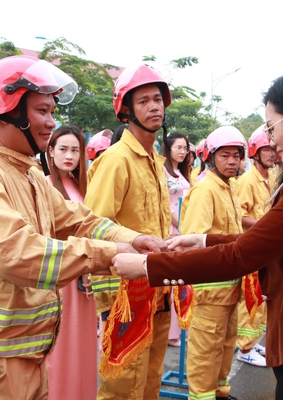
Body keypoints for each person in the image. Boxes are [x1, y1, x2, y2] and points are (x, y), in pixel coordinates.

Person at [113, 69, 283, 400]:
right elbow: (265, 238)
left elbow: (245, 254)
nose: (270, 140)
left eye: (271, 127)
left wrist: (151, 267)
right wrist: (204, 239)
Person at [0, 56, 161, 400]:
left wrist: (136, 240)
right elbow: (15, 253)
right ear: (8, 109)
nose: (51, 123)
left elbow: (79, 221)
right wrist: (114, 252)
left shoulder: (27, 175)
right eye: (42, 111)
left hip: (27, 354)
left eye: (52, 112)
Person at [85, 64, 172, 400]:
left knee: (151, 378)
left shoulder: (154, 159)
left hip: (157, 284)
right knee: (124, 384)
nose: (154, 107)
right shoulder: (116, 160)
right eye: (144, 101)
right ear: (126, 110)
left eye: (158, 99)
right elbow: (94, 223)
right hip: (124, 292)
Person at [179, 125, 249, 399]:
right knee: (205, 352)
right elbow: (194, 241)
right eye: (225, 156)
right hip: (209, 290)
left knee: (224, 345)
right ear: (210, 157)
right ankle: (202, 395)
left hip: (229, 287)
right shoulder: (205, 190)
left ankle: (220, 391)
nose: (232, 161)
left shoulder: (228, 187)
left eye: (236, 156)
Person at [44, 125, 98, 400]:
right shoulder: (43, 184)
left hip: (84, 276)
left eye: (75, 150)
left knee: (82, 345)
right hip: (61, 277)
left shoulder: (80, 186)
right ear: (50, 151)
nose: (69, 155)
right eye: (62, 149)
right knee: (60, 346)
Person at [234, 125, 276, 367]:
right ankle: (244, 347)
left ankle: (253, 342)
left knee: (260, 299)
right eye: (266, 150)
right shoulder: (248, 180)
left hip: (264, 248)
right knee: (249, 298)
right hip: (252, 246)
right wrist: (263, 225)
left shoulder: (267, 179)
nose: (271, 154)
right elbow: (240, 215)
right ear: (255, 153)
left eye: (272, 149)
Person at [163, 131, 191, 347]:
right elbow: (164, 203)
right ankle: (171, 333)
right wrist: (180, 224)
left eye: (185, 148)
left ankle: (180, 326)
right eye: (178, 147)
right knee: (172, 279)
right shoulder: (163, 172)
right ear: (168, 148)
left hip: (183, 226)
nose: (182, 151)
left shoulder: (182, 173)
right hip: (172, 227)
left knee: (183, 279)